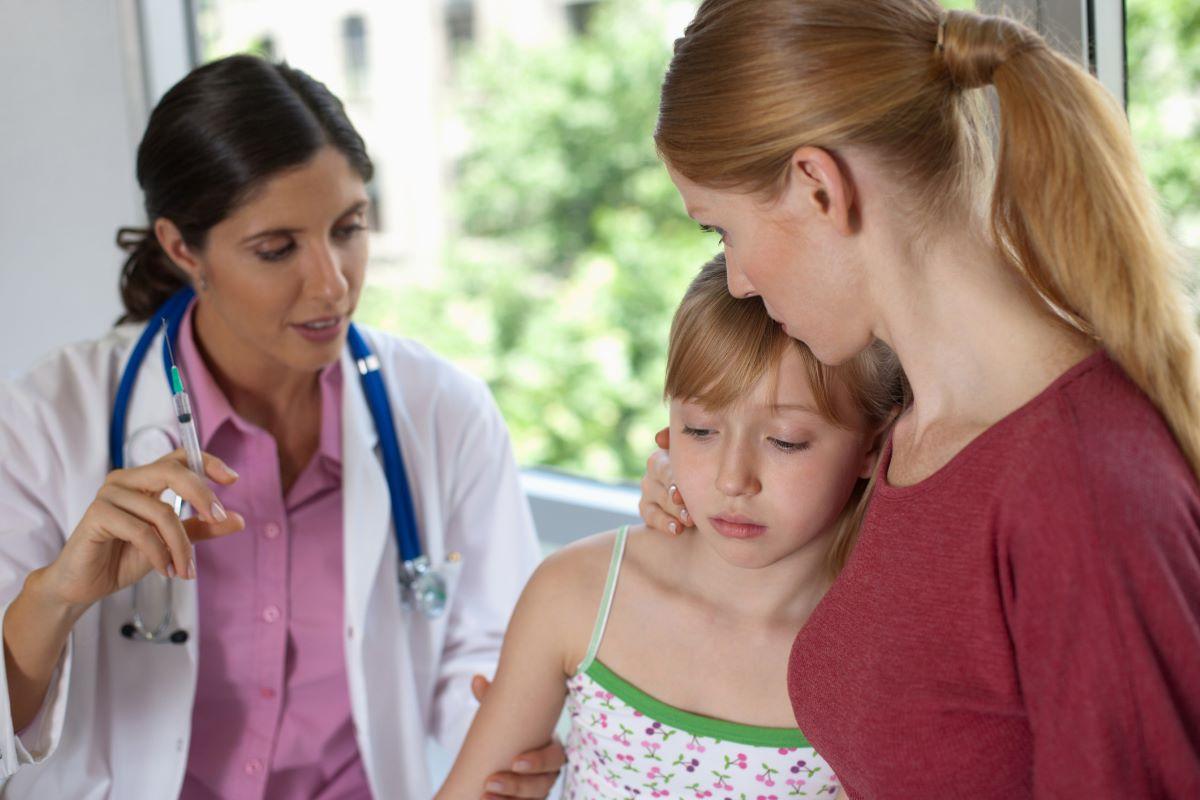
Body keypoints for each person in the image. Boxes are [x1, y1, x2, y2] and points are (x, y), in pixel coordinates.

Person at [638, 2, 1200, 797]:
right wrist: (691, 502)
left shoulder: (1082, 485)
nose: (737, 281)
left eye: (720, 231)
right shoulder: (907, 432)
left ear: (817, 188)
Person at [0, 55, 563, 799]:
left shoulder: (442, 411)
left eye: (348, 229)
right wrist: (57, 595)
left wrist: (513, 734)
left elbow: (491, 658)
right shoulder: (51, 418)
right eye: (277, 249)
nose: (332, 282)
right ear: (181, 249)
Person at [434, 255, 902, 800]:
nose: (733, 480)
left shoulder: (886, 658)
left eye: (785, 441)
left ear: (873, 443)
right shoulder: (576, 594)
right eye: (701, 430)